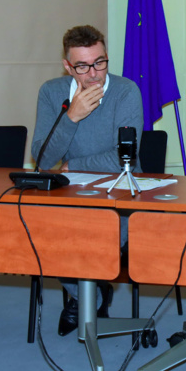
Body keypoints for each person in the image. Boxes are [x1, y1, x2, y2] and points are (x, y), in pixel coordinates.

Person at [31, 24, 143, 336]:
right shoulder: (52, 93)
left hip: (118, 192)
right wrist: (71, 118)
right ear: (68, 66)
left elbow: (126, 158)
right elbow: (41, 158)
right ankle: (87, 294)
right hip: (70, 193)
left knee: (94, 236)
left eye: (100, 62)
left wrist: (73, 164)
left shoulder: (125, 92)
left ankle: (85, 294)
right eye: (82, 66)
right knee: (43, 231)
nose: (94, 74)